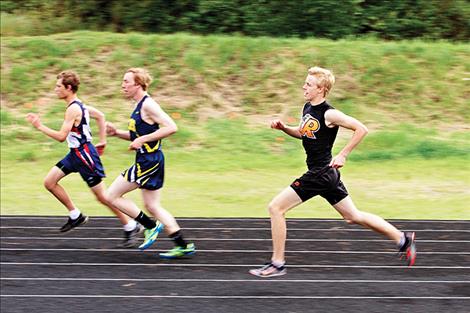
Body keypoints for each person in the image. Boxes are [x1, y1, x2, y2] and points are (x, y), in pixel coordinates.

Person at [249, 66, 416, 278]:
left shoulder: (330, 113)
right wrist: (284, 128)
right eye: (305, 82)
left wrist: (344, 154)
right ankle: (403, 239)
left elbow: (361, 129)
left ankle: (277, 263)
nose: (304, 86)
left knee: (276, 208)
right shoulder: (308, 108)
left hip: (320, 173)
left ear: (321, 89)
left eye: (309, 84)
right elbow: (304, 133)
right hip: (327, 174)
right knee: (352, 216)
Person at [26, 70, 142, 247]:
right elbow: (101, 116)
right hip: (75, 154)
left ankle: (131, 225)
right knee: (49, 182)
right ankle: (75, 215)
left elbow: (61, 136)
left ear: (69, 88)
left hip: (85, 156)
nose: (55, 90)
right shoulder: (80, 105)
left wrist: (39, 126)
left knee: (104, 197)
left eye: (58, 86)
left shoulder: (73, 109)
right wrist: (102, 141)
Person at [105, 67, 195, 258]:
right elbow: (136, 135)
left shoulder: (148, 105)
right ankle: (183, 245)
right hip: (150, 159)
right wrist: (117, 133)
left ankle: (150, 226)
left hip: (149, 161)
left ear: (138, 84)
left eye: (126, 82)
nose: (122, 85)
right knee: (153, 206)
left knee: (111, 195)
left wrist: (142, 140)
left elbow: (172, 127)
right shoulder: (139, 105)